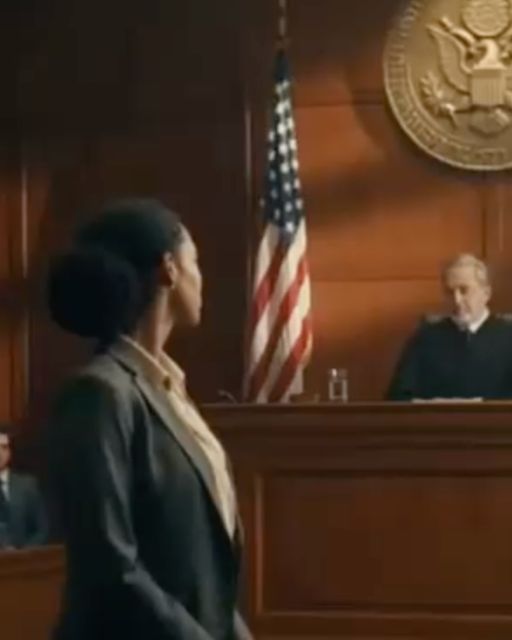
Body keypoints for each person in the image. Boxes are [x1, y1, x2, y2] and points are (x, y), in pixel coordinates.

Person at [46, 198, 252, 640]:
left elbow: (201, 570)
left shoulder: (171, 391)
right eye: (195, 260)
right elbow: (110, 567)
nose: (203, 277)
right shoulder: (100, 394)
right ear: (169, 269)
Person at [387, 253, 512, 400]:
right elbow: (398, 397)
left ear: (486, 293)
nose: (457, 300)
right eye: (449, 292)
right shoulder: (425, 338)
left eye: (464, 290)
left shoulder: (508, 336)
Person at [0, 426, 48, 549]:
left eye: (4, 447)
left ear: (10, 452)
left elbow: (42, 529)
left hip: (26, 557)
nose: (0, 453)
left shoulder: (27, 485)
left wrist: (22, 554)